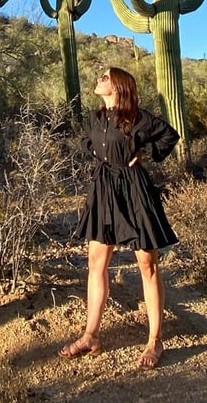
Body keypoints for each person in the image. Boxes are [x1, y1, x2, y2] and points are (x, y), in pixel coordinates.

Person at [59, 66, 179, 369]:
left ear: (119, 86)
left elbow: (169, 136)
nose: (99, 79)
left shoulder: (139, 117)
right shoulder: (95, 118)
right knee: (96, 263)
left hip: (134, 190)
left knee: (147, 264)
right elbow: (88, 142)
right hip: (103, 190)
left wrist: (146, 151)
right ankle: (91, 335)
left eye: (105, 77)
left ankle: (154, 341)